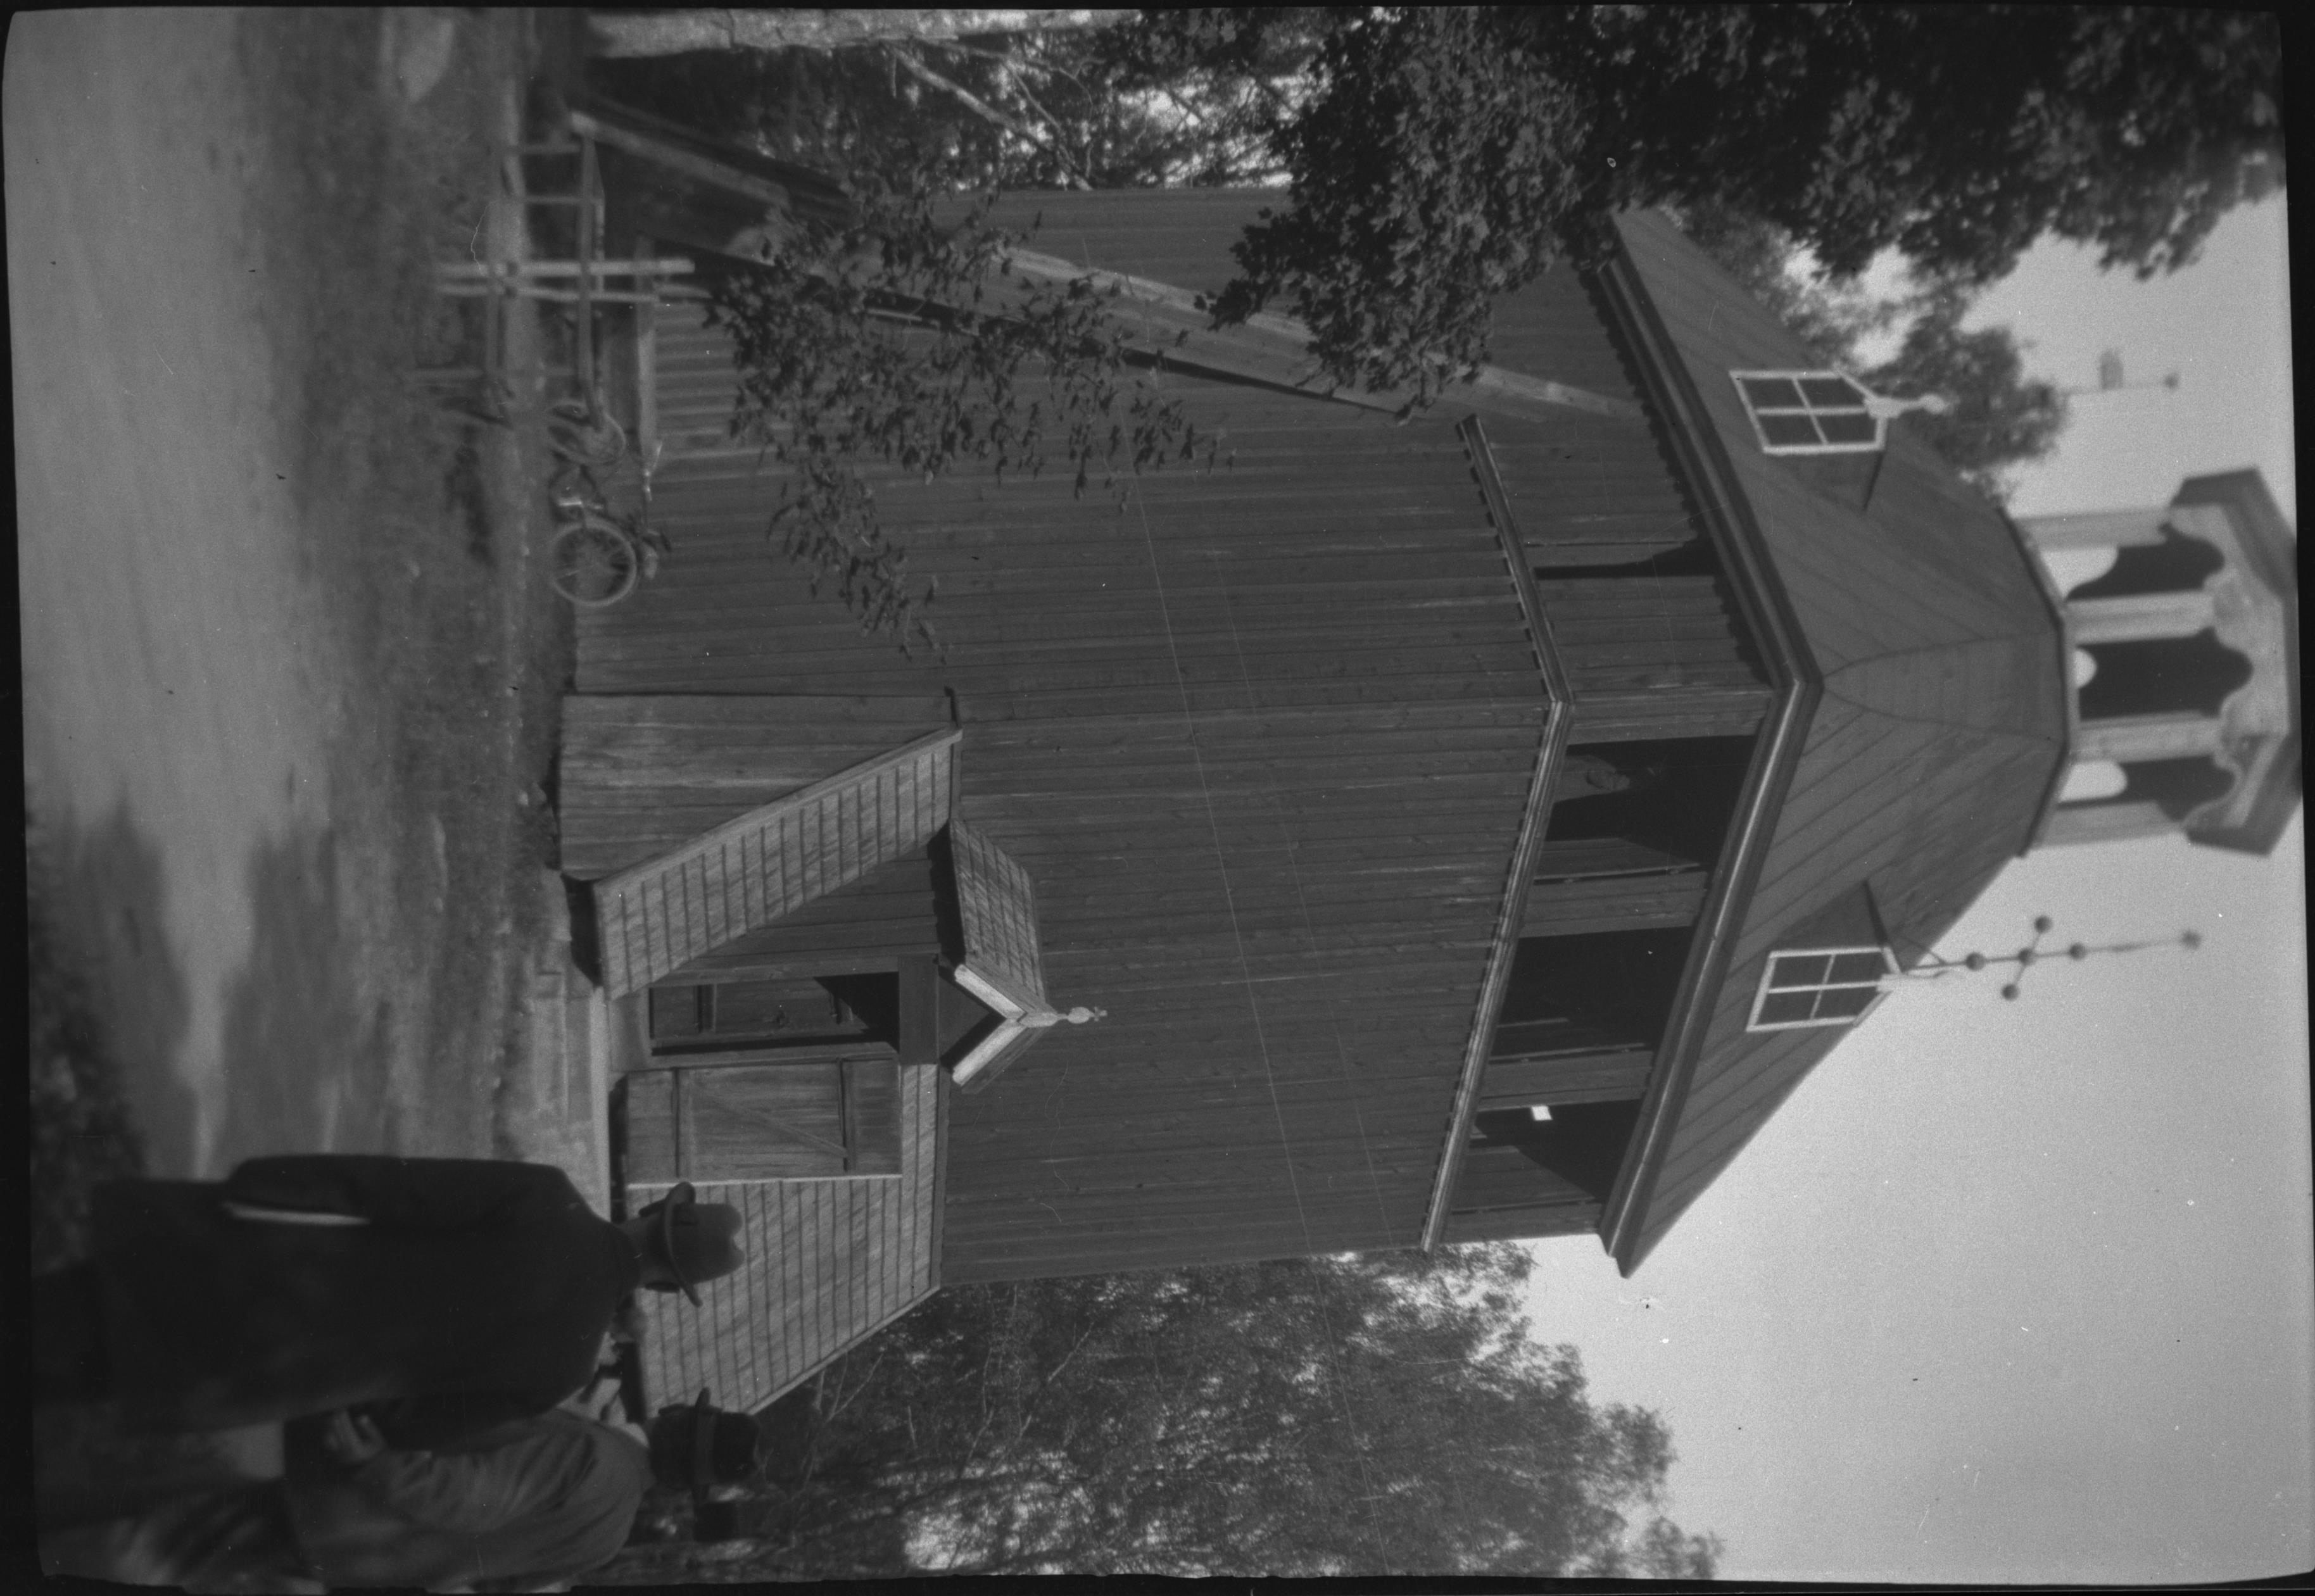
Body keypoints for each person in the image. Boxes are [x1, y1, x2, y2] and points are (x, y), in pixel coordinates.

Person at [33, 1157, 742, 1448]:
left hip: (254, 1267)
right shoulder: (564, 1369)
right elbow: (415, 1425)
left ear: (651, 1211)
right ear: (662, 1286)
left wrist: (261, 1182)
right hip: (257, 1375)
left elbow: (385, 1186)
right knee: (64, 1380)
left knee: (60, 1310)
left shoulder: (546, 1196)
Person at [39, 1387, 763, 1592]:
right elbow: (504, 1580)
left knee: (157, 1542)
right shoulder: (608, 1533)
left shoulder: (591, 1452)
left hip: (344, 1510)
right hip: (359, 1561)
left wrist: (374, 1463)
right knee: (179, 1524)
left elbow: (472, 1495)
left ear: (675, 1417)